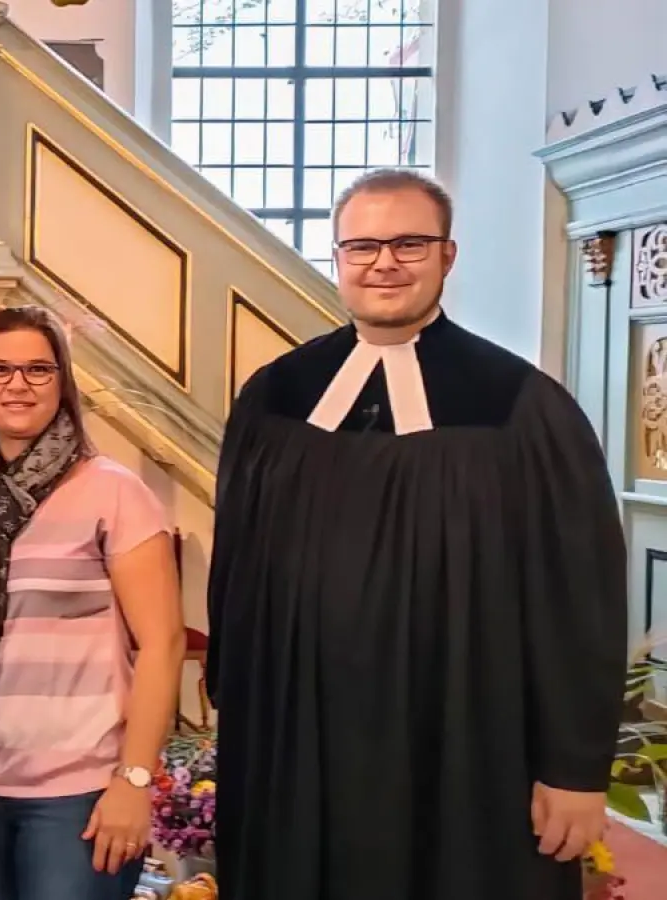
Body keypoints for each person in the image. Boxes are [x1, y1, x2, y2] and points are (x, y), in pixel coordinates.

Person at [206, 168, 628, 900]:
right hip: (299, 739)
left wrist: (573, 765)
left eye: (409, 243)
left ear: (448, 255)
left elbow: (578, 596)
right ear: (336, 257)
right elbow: (235, 572)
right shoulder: (275, 397)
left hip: (464, 736)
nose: (384, 263)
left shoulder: (519, 408)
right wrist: (238, 714)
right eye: (362, 246)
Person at [0, 305, 186, 900]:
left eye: (38, 370)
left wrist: (134, 779)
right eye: (0, 369)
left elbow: (164, 643)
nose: (17, 385)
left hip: (79, 790)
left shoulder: (113, 492)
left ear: (62, 383)